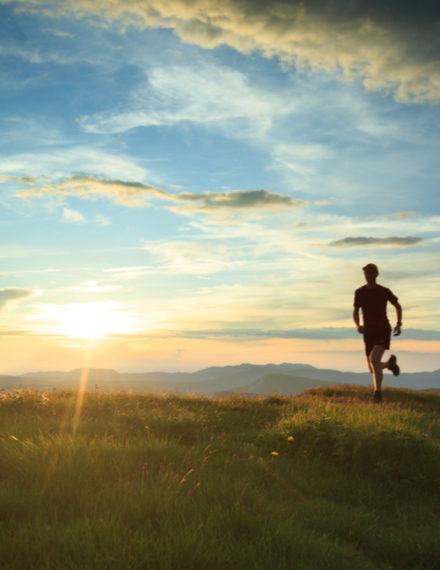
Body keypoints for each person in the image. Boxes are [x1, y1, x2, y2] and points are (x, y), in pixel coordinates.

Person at [353, 263, 402, 403]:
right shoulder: (359, 292)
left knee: (374, 360)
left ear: (376, 274)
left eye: (370, 274)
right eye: (366, 274)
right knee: (372, 368)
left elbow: (397, 305)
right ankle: (389, 365)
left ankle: (377, 394)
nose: (368, 277)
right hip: (368, 332)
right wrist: (358, 325)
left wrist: (399, 324)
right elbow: (356, 311)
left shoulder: (384, 291)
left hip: (382, 329)